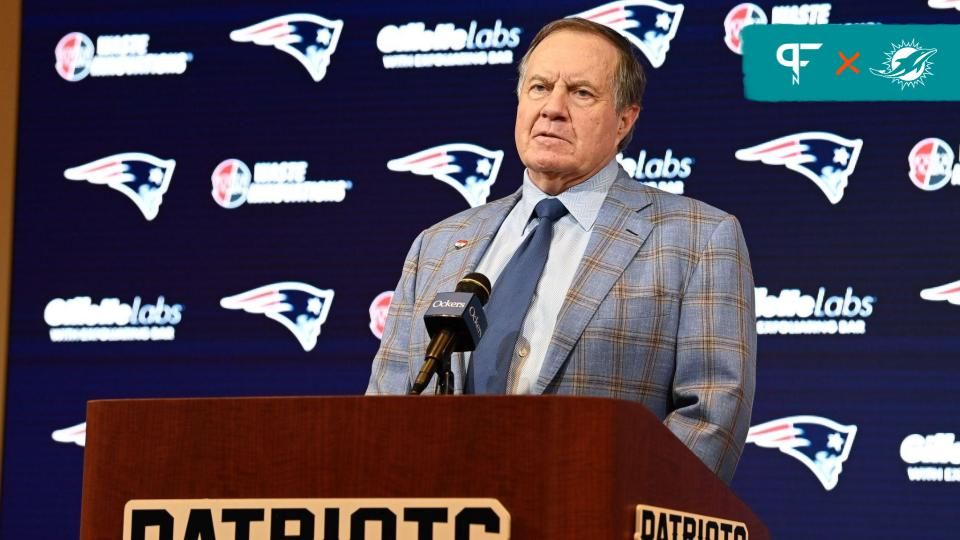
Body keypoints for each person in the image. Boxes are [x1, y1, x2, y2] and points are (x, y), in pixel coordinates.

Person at [367, 18, 756, 484]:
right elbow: (385, 410)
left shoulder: (697, 238)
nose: (552, 108)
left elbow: (711, 414)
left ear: (625, 119)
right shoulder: (437, 245)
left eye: (581, 93)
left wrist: (608, 514)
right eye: (539, 87)